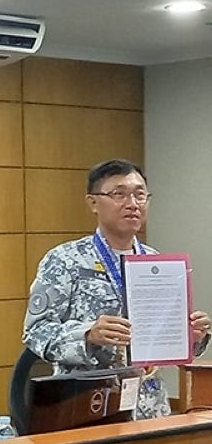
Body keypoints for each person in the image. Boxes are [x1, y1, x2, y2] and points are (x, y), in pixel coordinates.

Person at [23, 158, 211, 419]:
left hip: (149, 405)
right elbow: (36, 332)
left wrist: (191, 336)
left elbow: (162, 339)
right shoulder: (64, 260)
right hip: (87, 403)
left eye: (140, 194)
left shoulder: (156, 262)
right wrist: (88, 334)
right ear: (92, 202)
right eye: (119, 194)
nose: (132, 203)